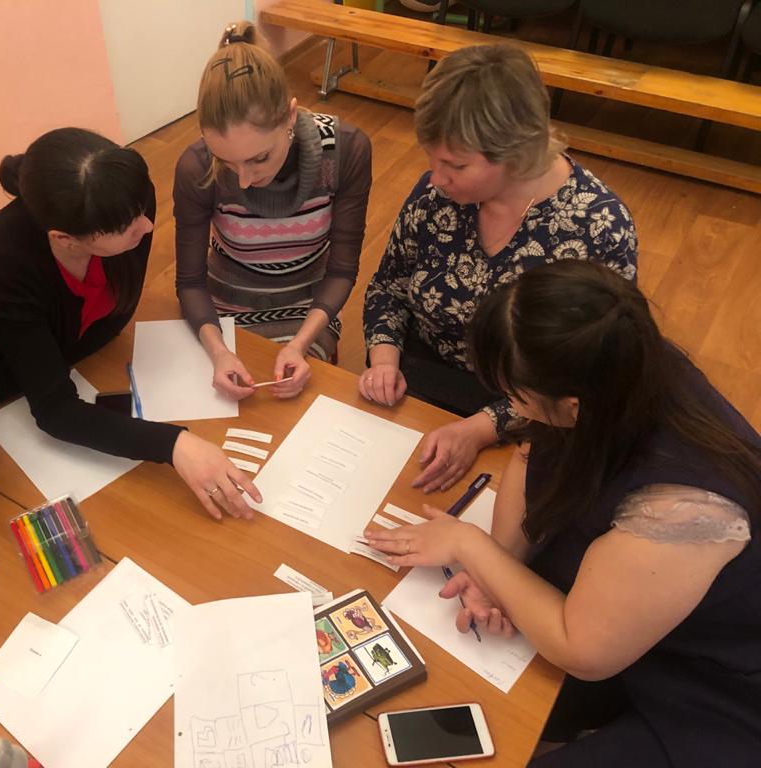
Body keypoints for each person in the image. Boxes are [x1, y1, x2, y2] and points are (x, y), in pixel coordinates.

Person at [364, 260, 761, 766]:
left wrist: (471, 545)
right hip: (630, 622)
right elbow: (530, 455)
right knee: (461, 688)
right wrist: (499, 567)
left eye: (516, 396)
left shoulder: (685, 508)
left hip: (722, 685)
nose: (509, 407)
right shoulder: (612, 366)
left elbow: (584, 650)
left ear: (573, 406)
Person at [360, 44, 637, 494]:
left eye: (456, 165)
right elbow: (389, 287)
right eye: (432, 158)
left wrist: (481, 428)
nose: (436, 178)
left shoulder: (597, 227)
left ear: (517, 152)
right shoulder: (437, 197)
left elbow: (589, 377)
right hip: (420, 380)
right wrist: (384, 361)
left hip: (534, 415)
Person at [0, 128, 260, 520]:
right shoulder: (3, 260)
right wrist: (175, 445)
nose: (147, 226)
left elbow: (105, 325)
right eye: (127, 228)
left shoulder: (127, 201)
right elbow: (55, 410)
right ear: (65, 239)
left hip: (89, 364)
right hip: (9, 395)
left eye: (141, 211)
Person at [174, 21, 372, 401]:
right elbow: (191, 282)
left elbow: (342, 270)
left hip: (310, 307)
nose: (244, 180)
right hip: (221, 311)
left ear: (290, 116)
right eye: (225, 161)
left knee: (293, 409)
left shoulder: (345, 151)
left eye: (259, 158)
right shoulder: (196, 167)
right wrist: (219, 351)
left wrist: (300, 343)